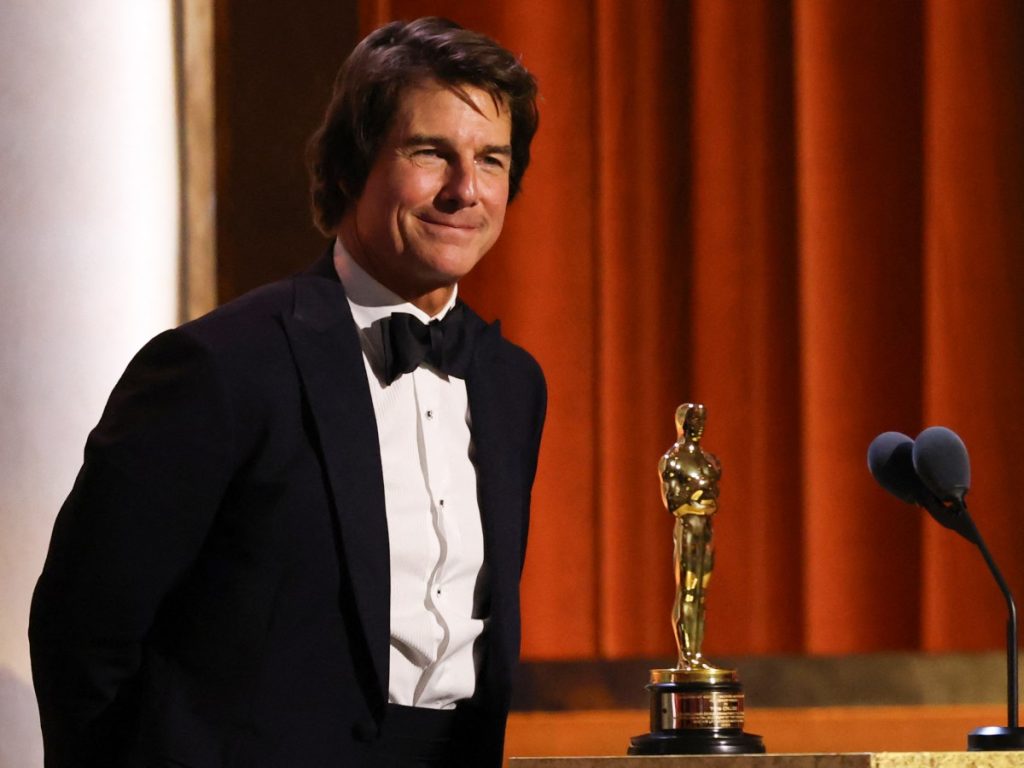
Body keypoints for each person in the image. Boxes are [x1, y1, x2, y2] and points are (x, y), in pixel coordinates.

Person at [29, 17, 544, 768]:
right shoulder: (219, 367)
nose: (464, 189)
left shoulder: (513, 384)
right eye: (430, 152)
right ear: (352, 166)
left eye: (491, 159)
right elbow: (82, 632)